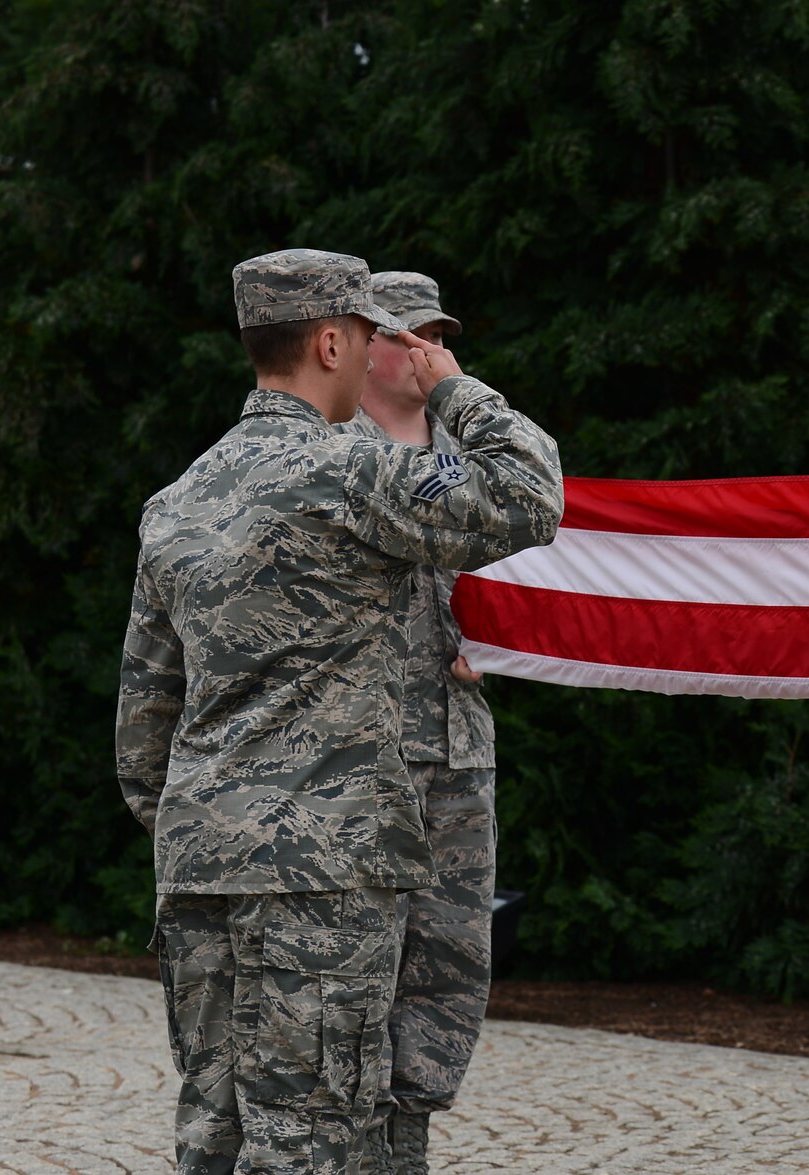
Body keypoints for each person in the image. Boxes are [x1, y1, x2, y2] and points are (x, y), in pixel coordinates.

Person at [116, 248, 564, 1175]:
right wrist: (455, 388)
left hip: (199, 868)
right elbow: (527, 492)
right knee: (313, 1138)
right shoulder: (348, 473)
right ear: (329, 341)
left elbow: (142, 728)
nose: (373, 358)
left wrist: (209, 832)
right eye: (367, 337)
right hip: (323, 876)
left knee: (214, 1126)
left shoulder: (175, 500)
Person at [340, 271, 500, 1174]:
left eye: (441, 332)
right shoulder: (331, 450)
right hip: (362, 754)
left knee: (448, 966)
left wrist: (514, 645)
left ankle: (407, 1148)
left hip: (460, 745)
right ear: (368, 343)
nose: (432, 351)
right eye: (414, 334)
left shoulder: (476, 451)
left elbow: (529, 569)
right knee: (356, 968)